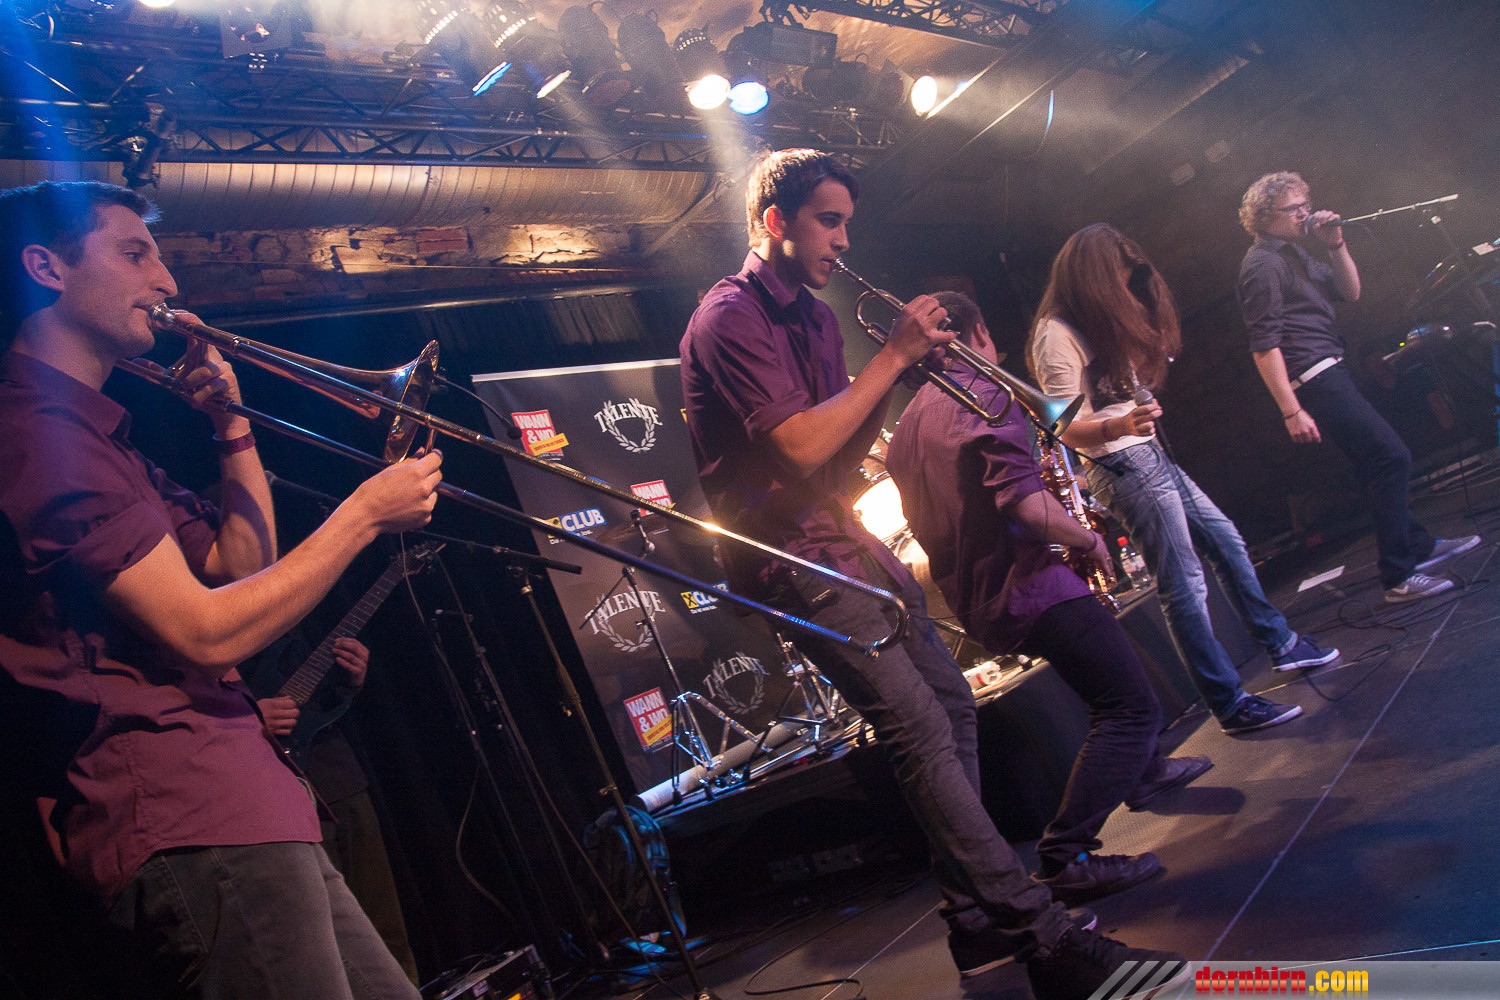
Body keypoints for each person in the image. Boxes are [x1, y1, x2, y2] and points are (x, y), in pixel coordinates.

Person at [680, 149, 1188, 996]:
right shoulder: (728, 316)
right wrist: (893, 358)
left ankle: (975, 927)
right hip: (794, 557)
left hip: (844, 538)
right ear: (775, 221)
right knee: (918, 731)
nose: (845, 241)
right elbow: (798, 449)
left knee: (952, 708)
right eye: (829, 222)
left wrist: (900, 371)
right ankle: (1043, 936)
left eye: (847, 223)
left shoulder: (815, 320)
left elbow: (835, 456)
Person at [0, 180, 441, 1000]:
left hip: (244, 799)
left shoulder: (105, 439)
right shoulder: (34, 433)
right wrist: (361, 517)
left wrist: (232, 427)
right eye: (135, 254)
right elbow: (205, 633)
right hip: (186, 813)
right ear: (46, 268)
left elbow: (244, 568)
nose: (167, 280)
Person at [887, 290, 1214, 895]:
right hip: (1031, 585)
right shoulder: (986, 394)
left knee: (1110, 675)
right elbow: (1023, 506)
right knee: (1130, 707)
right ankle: (1065, 856)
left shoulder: (906, 428)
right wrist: (1087, 539)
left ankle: (1144, 773)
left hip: (979, 596)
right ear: (975, 334)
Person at [1028, 223, 1338, 736]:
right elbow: (1063, 428)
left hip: (1147, 457)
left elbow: (1117, 393)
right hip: (1123, 467)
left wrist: (1139, 402)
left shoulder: (1101, 322)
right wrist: (1120, 425)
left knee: (1226, 542)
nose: (1126, 289)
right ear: (1093, 278)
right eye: (1119, 279)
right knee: (1184, 585)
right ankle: (1229, 703)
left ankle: (1281, 644)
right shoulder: (1057, 335)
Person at [1236, 171, 1479, 603]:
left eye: (1305, 205)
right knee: (1392, 457)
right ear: (1266, 216)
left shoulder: (1294, 253)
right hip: (1315, 378)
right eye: (1294, 210)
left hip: (1331, 369)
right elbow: (1263, 346)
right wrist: (1291, 410)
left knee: (1374, 463)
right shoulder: (1262, 265)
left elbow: (1350, 291)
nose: (1305, 214)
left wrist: (1336, 245)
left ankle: (1417, 546)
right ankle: (1398, 576)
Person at [246, 633, 419, 985]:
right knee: (329, 951)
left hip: (339, 776)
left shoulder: (290, 608)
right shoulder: (204, 621)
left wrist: (351, 679)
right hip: (273, 800)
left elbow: (323, 692)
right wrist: (245, 720)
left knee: (386, 932)